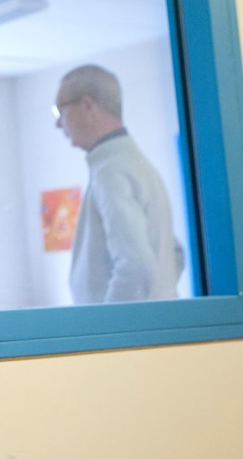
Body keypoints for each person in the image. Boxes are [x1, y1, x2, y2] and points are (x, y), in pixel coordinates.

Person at [53, 64, 183, 304]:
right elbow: (173, 255)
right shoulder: (139, 165)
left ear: (87, 105)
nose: (58, 124)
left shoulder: (111, 171)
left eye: (60, 111)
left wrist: (108, 330)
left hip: (120, 335)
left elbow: (136, 267)